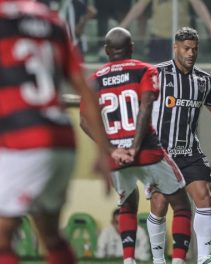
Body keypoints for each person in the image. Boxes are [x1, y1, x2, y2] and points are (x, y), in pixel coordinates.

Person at [0, 0, 112, 263]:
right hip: (63, 139)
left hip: (23, 138)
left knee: (3, 236)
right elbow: (84, 90)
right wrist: (102, 151)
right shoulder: (52, 21)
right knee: (50, 233)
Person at [79, 27, 192, 264]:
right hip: (148, 150)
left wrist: (113, 150)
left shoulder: (93, 81)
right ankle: (179, 261)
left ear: (106, 50)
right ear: (132, 48)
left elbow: (84, 122)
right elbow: (145, 107)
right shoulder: (145, 70)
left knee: (127, 204)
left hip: (116, 158)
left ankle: (128, 261)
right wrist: (134, 146)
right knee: (181, 205)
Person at [145, 27, 211, 264]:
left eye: (195, 49)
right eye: (186, 48)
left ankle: (204, 259)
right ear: (175, 48)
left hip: (190, 151)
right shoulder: (155, 75)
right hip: (161, 154)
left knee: (204, 197)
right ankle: (158, 260)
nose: (191, 53)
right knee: (158, 205)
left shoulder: (204, 81)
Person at [119, 0, 211, 62]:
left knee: (182, 75)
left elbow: (198, 5)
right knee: (158, 74)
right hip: (159, 37)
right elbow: (139, 7)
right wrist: (122, 26)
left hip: (182, 38)